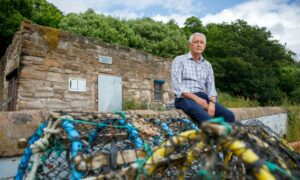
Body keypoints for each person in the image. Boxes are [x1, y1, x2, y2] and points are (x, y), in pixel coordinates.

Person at [171, 32, 235, 125]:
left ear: (204, 46)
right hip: (185, 98)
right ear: (190, 45)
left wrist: (212, 103)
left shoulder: (207, 65)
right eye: (196, 42)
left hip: (204, 98)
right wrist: (197, 99)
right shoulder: (179, 60)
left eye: (201, 42)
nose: (199, 44)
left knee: (229, 116)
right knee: (208, 120)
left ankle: (228, 139)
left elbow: (211, 88)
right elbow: (177, 86)